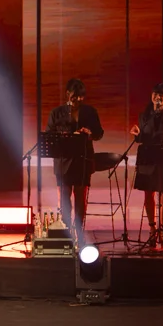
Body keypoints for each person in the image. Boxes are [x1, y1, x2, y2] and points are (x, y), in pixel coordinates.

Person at [46, 78, 104, 240]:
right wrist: (62, 136)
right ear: (67, 94)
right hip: (63, 160)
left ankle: (79, 230)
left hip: (83, 159)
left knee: (80, 197)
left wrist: (89, 133)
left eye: (81, 96)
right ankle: (66, 230)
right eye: (75, 96)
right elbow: (49, 135)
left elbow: (99, 133)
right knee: (64, 197)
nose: (78, 99)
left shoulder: (90, 112)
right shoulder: (57, 113)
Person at [129, 83, 163, 247]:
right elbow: (142, 138)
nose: (158, 97)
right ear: (151, 96)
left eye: (161, 95)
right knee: (148, 194)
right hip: (148, 157)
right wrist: (137, 135)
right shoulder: (144, 116)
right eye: (155, 94)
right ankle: (152, 228)